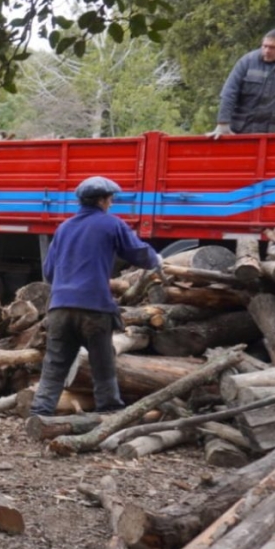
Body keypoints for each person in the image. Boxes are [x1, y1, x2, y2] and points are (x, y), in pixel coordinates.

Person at [28, 176, 161, 417]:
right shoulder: (112, 225)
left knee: (55, 364)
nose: (111, 203)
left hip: (60, 308)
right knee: (102, 364)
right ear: (101, 200)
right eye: (110, 199)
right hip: (94, 308)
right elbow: (138, 253)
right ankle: (109, 411)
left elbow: (49, 272)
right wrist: (157, 261)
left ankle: (41, 411)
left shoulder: (64, 228)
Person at [210, 28, 275, 138]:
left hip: (274, 133)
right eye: (264, 46)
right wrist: (223, 123)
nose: (267, 51)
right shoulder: (247, 61)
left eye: (272, 47)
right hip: (240, 131)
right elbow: (229, 92)